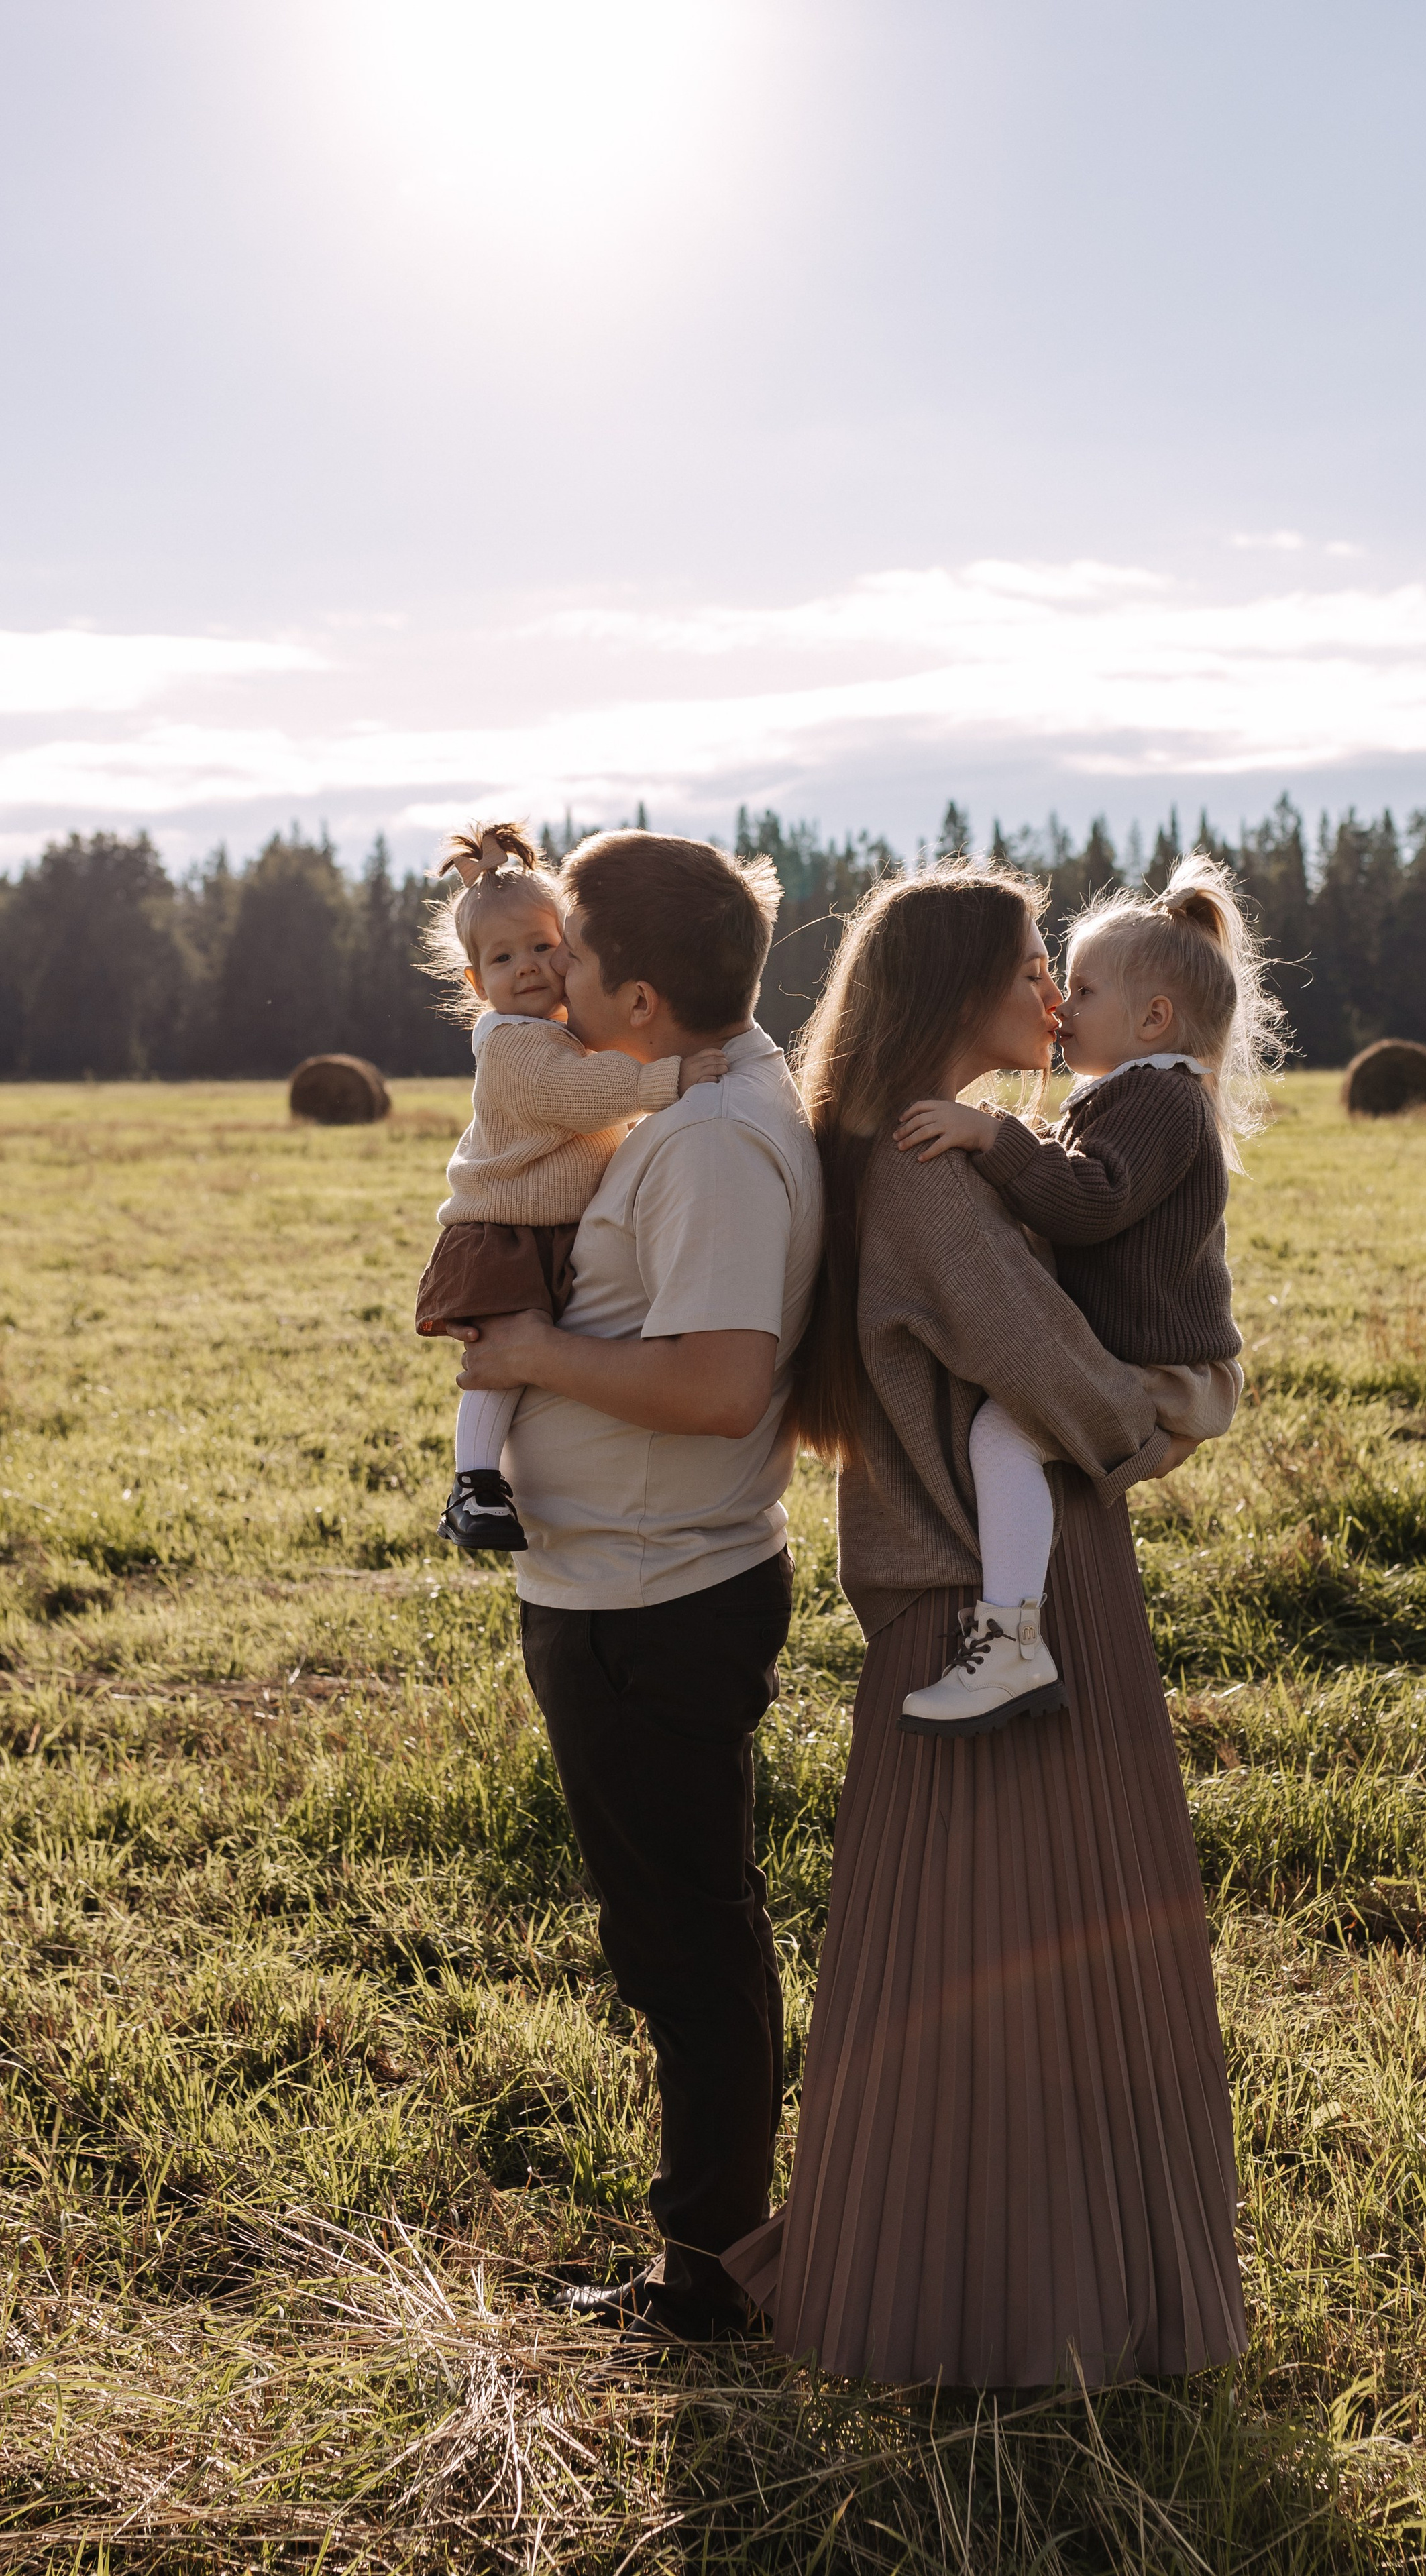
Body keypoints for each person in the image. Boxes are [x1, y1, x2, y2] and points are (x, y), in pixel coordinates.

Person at [723, 864, 1246, 2389]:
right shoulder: (934, 1176)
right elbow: (1064, 1386)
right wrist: (1169, 1420)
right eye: (1031, 965)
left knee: (968, 1958)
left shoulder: (911, 1157)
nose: (1049, 993)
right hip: (1001, 1601)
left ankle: (967, 2281)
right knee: (1023, 1959)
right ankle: (1027, 2312)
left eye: (1064, 971)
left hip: (960, 1595)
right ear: (961, 990)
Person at [443, 830, 823, 2344]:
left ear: (646, 1002)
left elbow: (726, 1386)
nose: (553, 984)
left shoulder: (709, 1141)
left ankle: (718, 2273)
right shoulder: (715, 1085)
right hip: (631, 1582)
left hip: (650, 1601)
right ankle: (718, 2250)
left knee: (683, 1940)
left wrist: (530, 1359)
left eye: (577, 961)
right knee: (681, 1927)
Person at [887, 852, 1284, 1732]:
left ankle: (1012, 1639)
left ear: (1153, 1019)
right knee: (1009, 1432)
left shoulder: (1157, 1099)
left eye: (1083, 989)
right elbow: (1077, 1172)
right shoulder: (1131, 1092)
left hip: (1166, 1371)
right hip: (1147, 1360)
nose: (1062, 1008)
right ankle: (1015, 1631)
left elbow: (1091, 1201)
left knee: (1001, 1433)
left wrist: (994, 1137)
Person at [414, 822, 726, 1551]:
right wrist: (666, 1078)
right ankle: (475, 1485)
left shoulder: (562, 1032)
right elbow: (576, 1096)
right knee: (500, 1361)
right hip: (505, 1234)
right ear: (476, 983)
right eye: (501, 957)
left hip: (547, 1228)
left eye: (542, 947)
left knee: (536, 1358)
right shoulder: (515, 1048)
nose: (525, 966)